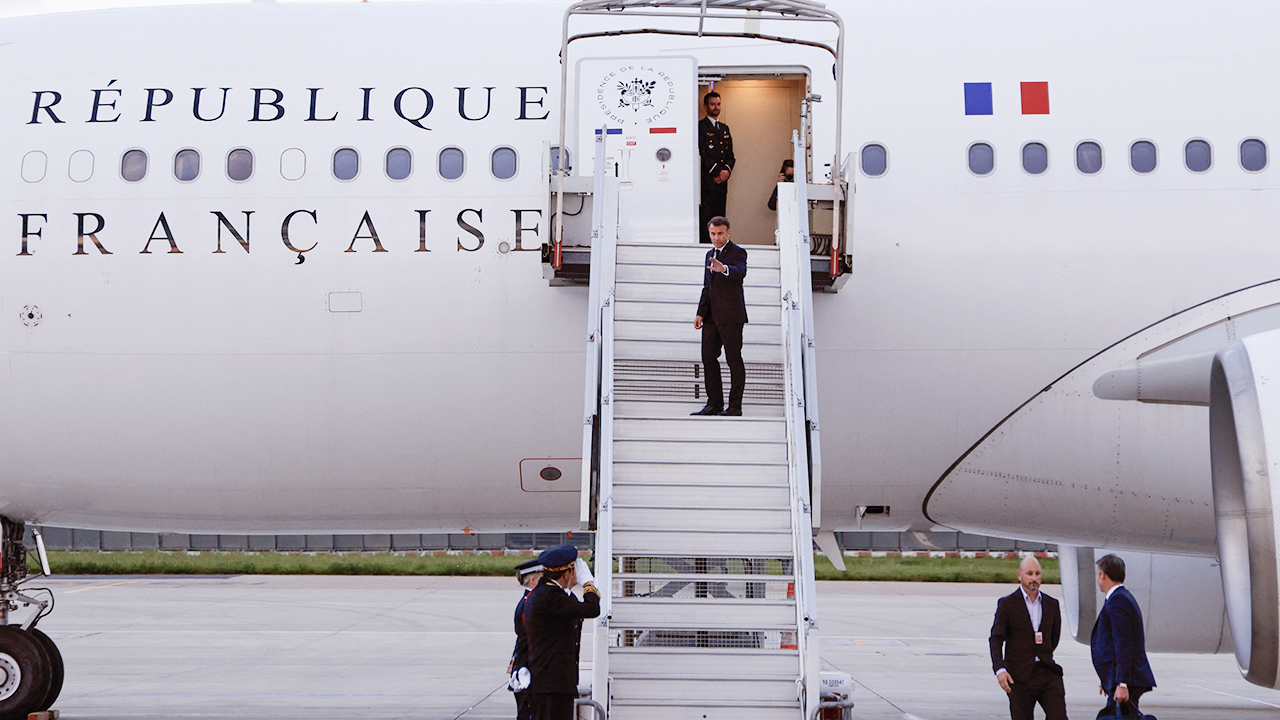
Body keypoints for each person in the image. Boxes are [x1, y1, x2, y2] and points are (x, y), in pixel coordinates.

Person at [524, 544, 601, 720]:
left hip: (554, 683)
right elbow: (591, 609)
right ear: (567, 573)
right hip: (551, 684)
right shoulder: (550, 596)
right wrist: (588, 583)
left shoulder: (551, 593)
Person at [989, 556, 1068, 720]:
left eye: (1038, 573)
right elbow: (996, 639)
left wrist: (1042, 653)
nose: (1034, 578)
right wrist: (1000, 669)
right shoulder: (1007, 604)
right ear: (1019, 575)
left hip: (1047, 671)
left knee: (1059, 716)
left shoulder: (1051, 604)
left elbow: (1054, 637)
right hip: (1019, 675)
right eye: (1029, 573)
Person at [692, 217, 748, 417]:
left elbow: (740, 272)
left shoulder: (738, 252)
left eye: (720, 233)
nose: (716, 238)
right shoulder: (709, 254)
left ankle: (735, 407)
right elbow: (707, 286)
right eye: (713, 234)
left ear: (728, 233)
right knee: (708, 358)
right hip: (711, 317)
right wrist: (700, 312)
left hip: (731, 316)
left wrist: (723, 268)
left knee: (734, 360)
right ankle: (714, 404)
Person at [1091, 554, 1156, 719]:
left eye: (1097, 573)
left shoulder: (1118, 600)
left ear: (1103, 574)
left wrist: (1122, 683)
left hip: (1127, 680)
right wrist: (1108, 678)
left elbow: (1123, 644)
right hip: (1119, 678)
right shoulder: (1119, 598)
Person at [508, 559, 542, 720]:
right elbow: (526, 638)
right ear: (533, 580)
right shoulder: (530, 603)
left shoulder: (530, 601)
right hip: (528, 666)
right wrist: (519, 663)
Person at [698, 91, 735, 244]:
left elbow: (730, 155)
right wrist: (717, 172)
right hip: (708, 181)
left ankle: (719, 245)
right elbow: (702, 154)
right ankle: (706, 245)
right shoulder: (700, 127)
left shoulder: (724, 128)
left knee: (720, 217)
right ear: (706, 106)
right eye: (712, 104)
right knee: (706, 217)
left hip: (722, 183)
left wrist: (726, 172)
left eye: (718, 104)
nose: (716, 107)